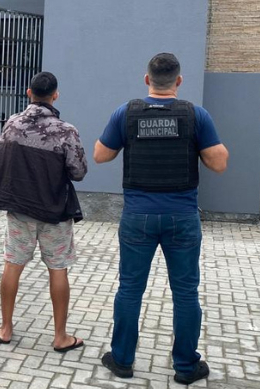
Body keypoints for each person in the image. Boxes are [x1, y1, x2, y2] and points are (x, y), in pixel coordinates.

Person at [94, 53, 229, 385]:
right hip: (182, 217)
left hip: (137, 217)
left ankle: (122, 360)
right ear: (178, 81)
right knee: (185, 293)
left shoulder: (125, 113)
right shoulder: (196, 115)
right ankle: (185, 366)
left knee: (130, 289)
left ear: (147, 80)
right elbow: (219, 163)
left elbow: (100, 155)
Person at [0, 72, 87, 352]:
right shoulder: (66, 131)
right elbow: (78, 172)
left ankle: (6, 328)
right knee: (58, 268)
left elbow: (1, 161)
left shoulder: (11, 124)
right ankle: (60, 336)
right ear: (55, 95)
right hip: (55, 211)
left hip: (20, 209)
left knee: (12, 264)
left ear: (29, 93)